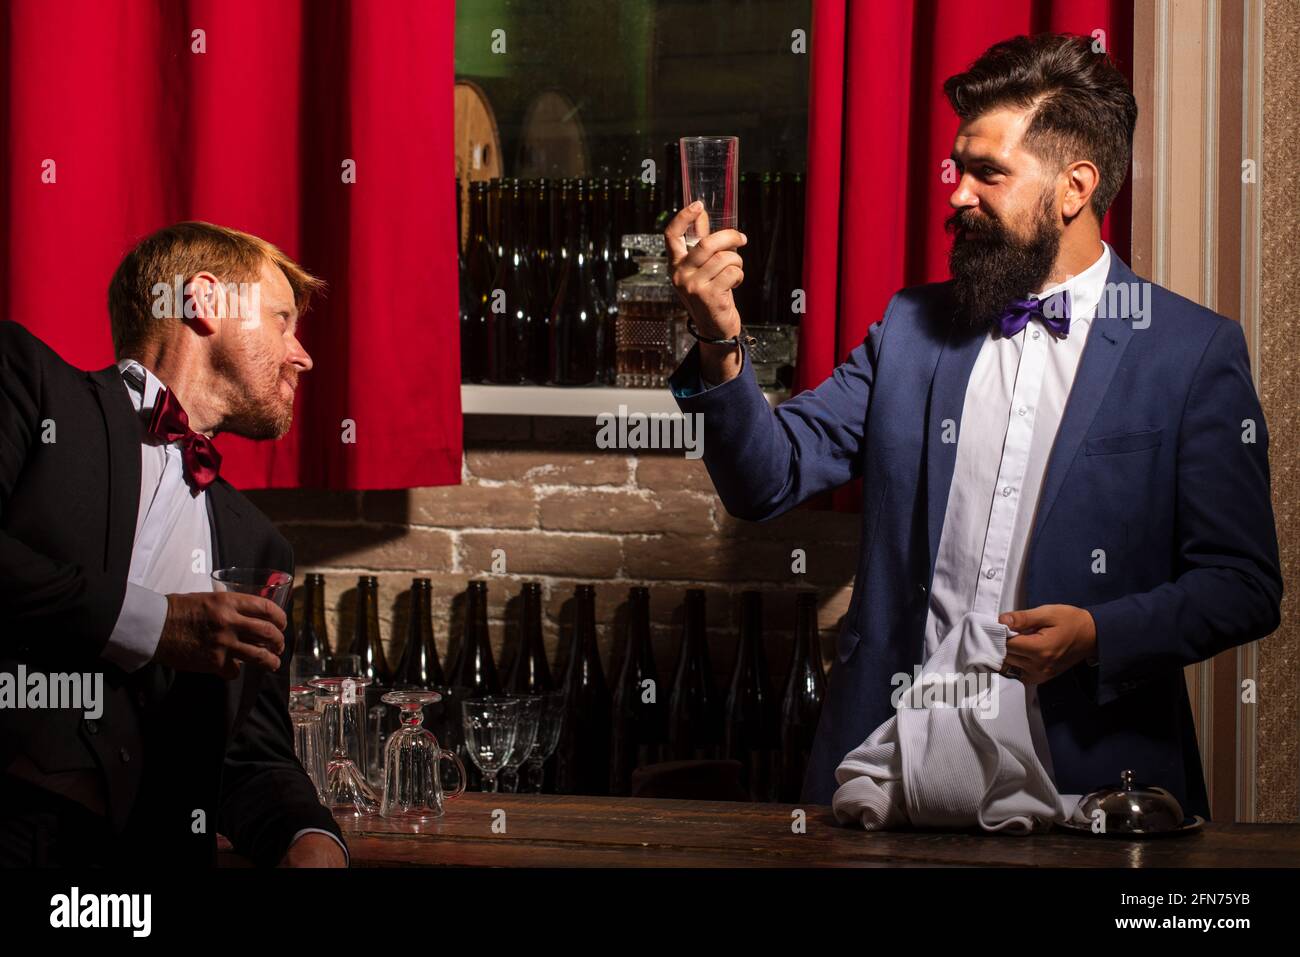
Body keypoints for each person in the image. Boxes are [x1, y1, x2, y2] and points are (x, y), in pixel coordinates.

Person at [665, 33, 1282, 818]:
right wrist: (719, 339)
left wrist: (1097, 631)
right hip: (884, 775)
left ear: (1074, 188)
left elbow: (1244, 585)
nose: (956, 194)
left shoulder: (1192, 353)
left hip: (1089, 785)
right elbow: (767, 480)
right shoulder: (913, 327)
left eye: (988, 173)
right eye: (960, 169)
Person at [0, 221, 346, 865]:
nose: (302, 356)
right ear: (205, 301)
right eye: (281, 321)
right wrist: (156, 624)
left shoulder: (263, 547)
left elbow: (249, 757)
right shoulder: (26, 381)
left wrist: (309, 836)